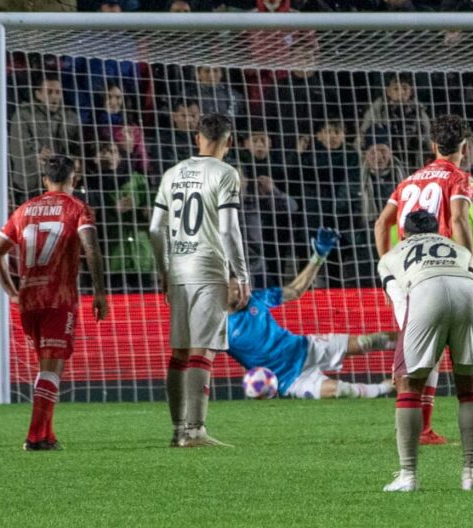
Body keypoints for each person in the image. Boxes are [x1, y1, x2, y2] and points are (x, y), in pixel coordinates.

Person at [0, 154, 108, 450]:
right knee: (51, 369)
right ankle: (34, 437)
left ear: (45, 180)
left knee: (48, 366)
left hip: (29, 300)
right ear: (73, 179)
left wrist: (12, 292)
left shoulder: (24, 210)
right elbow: (91, 249)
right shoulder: (77, 208)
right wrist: (100, 292)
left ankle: (47, 434)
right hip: (58, 297)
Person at [373, 114, 473, 446]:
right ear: (464, 147)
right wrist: (471, 265)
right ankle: (416, 427)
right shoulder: (460, 178)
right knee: (425, 351)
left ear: (433, 146)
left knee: (422, 348)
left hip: (406, 271)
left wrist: (388, 267)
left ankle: (421, 427)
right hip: (438, 269)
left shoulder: (408, 181)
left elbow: (380, 224)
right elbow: (459, 218)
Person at [149, 113, 250, 448]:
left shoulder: (172, 173)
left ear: (197, 138)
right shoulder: (225, 173)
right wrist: (240, 274)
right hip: (208, 267)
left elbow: (154, 229)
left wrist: (164, 269)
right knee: (201, 350)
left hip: (177, 268)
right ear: (229, 140)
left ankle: (179, 429)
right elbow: (227, 228)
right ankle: (195, 430)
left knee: (179, 351)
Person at [378, 210, 473, 492]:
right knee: (470, 384)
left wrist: (403, 357)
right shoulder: (460, 249)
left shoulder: (390, 256)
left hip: (426, 290)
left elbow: (400, 301)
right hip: (471, 293)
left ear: (404, 234)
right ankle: (471, 474)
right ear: (439, 231)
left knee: (409, 384)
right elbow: (472, 276)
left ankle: (408, 476)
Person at [226, 227, 396, 399]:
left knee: (370, 341)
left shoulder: (257, 299)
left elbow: (294, 290)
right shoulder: (219, 329)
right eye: (235, 291)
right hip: (289, 379)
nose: (241, 293)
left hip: (306, 347)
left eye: (240, 289)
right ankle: (385, 388)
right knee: (340, 391)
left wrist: (319, 256)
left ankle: (414, 343)